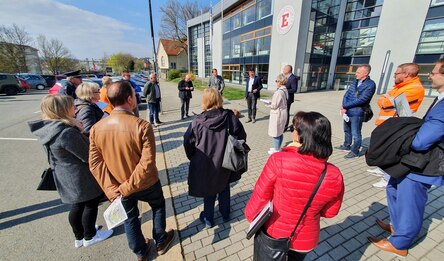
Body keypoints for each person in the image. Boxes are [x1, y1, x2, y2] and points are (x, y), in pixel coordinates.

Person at [89, 81, 175, 261]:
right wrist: (125, 187)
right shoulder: (142, 126)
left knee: (130, 218)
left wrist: (113, 189)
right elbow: (147, 163)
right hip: (145, 183)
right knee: (158, 206)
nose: (136, 97)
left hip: (119, 185)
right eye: (134, 95)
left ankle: (140, 251)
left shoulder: (97, 128)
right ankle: (160, 240)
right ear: (129, 99)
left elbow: (95, 164)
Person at [368, 58, 444, 257]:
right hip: (416, 160)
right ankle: (397, 226)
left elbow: (421, 141)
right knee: (394, 188)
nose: (430, 75)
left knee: (410, 201)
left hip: (424, 163)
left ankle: (401, 242)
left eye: (434, 72)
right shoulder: (441, 98)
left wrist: (407, 132)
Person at [245, 111, 344, 260]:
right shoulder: (334, 174)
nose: (292, 132)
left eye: (293, 129)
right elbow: (330, 212)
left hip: (275, 232)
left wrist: (251, 217)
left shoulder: (278, 160)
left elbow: (260, 196)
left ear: (300, 135)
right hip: (306, 239)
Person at [28, 94, 113, 249]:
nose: (75, 108)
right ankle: (90, 236)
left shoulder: (49, 128)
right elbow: (87, 155)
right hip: (79, 176)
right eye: (71, 106)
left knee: (77, 206)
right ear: (62, 110)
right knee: (90, 204)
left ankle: (79, 236)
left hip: (64, 174)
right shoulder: (66, 132)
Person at [183, 88, 247, 228]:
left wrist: (193, 157)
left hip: (206, 163)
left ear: (205, 101)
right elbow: (242, 136)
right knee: (224, 187)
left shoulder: (197, 122)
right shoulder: (229, 117)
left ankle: (208, 219)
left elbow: (188, 142)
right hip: (225, 161)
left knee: (209, 190)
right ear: (219, 99)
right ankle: (225, 214)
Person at [371, 63, 425, 188]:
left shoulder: (414, 88)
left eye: (396, 74)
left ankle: (387, 178)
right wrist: (385, 99)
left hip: (396, 127)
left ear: (406, 74)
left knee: (391, 152)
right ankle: (382, 170)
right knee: (384, 150)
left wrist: (385, 99)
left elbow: (385, 102)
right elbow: (382, 100)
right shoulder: (400, 86)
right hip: (388, 124)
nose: (394, 76)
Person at [337, 64, 376, 159]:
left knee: (356, 133)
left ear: (365, 74)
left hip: (357, 113)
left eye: (358, 72)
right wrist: (343, 107)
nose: (356, 74)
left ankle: (355, 151)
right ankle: (346, 145)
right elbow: (347, 94)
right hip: (347, 111)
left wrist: (345, 106)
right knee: (347, 130)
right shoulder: (355, 81)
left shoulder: (370, 84)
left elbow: (362, 100)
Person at [267, 74, 288, 155]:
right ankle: (278, 147)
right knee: (280, 131)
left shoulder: (279, 92)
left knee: (276, 133)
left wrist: (267, 104)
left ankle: (276, 150)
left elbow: (274, 105)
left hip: (277, 114)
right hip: (282, 112)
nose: (276, 82)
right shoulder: (285, 90)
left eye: (276, 81)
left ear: (280, 81)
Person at [283, 65, 298, 131]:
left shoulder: (293, 78)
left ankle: (285, 127)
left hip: (288, 99)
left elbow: (294, 89)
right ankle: (283, 124)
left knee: (286, 113)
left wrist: (284, 90)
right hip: (283, 98)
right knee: (283, 113)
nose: (283, 70)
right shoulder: (284, 77)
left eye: (284, 69)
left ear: (288, 70)